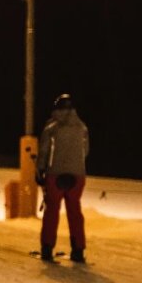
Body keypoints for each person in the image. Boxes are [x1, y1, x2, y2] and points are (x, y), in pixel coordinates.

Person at [35, 93, 90, 262]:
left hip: (55, 174)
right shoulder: (82, 127)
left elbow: (44, 151)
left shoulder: (51, 128)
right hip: (77, 175)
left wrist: (40, 171)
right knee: (74, 211)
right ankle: (78, 249)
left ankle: (47, 248)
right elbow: (85, 151)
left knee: (52, 210)